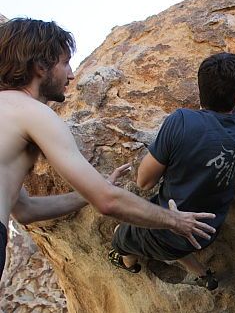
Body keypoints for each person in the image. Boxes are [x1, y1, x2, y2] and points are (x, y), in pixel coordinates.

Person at [0, 18, 216, 283]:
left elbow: (24, 210)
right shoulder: (33, 113)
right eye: (65, 62)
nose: (71, 74)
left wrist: (86, 194)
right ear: (40, 66)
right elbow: (108, 201)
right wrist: (174, 221)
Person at [110, 40, 235, 289]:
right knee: (178, 238)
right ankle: (204, 275)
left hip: (169, 228)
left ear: (200, 89)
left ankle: (127, 263)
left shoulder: (181, 122)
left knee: (121, 234)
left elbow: (144, 180)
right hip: (210, 227)